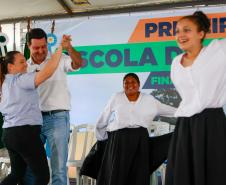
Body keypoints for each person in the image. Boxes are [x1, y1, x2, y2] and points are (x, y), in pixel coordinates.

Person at [165, 11, 226, 185]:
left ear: (201, 34)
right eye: (177, 31)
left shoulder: (218, 51)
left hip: (211, 123)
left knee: (214, 171)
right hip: (185, 126)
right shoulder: (176, 63)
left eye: (187, 30)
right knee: (184, 174)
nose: (180, 35)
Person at [0, 37, 65, 185]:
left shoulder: (4, 83)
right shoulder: (20, 80)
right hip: (25, 133)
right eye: (22, 62)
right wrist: (60, 49)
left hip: (9, 134)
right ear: (10, 67)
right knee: (42, 177)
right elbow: (48, 72)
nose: (25, 65)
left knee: (17, 175)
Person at [24, 28, 83, 185]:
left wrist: (69, 48)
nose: (41, 50)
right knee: (29, 168)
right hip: (33, 121)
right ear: (28, 46)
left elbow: (79, 63)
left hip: (57, 118)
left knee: (58, 169)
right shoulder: (24, 67)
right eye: (36, 47)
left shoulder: (60, 58)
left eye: (44, 46)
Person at [95, 73, 176, 185]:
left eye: (133, 82)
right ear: (123, 85)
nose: (130, 85)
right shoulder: (116, 97)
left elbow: (167, 109)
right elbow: (103, 117)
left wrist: (186, 112)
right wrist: (102, 138)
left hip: (140, 139)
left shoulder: (149, 100)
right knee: (117, 173)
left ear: (139, 85)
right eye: (126, 83)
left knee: (138, 173)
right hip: (119, 140)